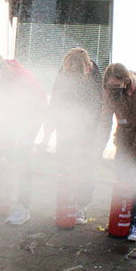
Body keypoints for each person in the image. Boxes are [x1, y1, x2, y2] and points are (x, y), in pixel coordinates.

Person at [0, 51, 47, 225]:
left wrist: (14, 133)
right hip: (12, 113)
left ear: (0, 70)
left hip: (34, 112)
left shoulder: (20, 79)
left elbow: (24, 112)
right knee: (5, 150)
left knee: (22, 155)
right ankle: (5, 193)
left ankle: (23, 207)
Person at [100, 63, 136, 242]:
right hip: (123, 140)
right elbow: (105, 120)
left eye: (117, 87)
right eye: (111, 87)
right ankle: (119, 220)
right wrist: (98, 147)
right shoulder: (109, 91)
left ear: (126, 81)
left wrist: (133, 153)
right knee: (122, 180)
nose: (114, 91)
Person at [47, 48, 102, 224]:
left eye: (74, 72)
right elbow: (55, 99)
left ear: (85, 68)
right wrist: (54, 126)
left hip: (86, 129)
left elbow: (96, 106)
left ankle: (81, 205)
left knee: (85, 167)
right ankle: (65, 203)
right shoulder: (63, 71)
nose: (71, 74)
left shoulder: (93, 75)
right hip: (65, 127)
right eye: (68, 71)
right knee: (65, 165)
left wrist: (87, 133)